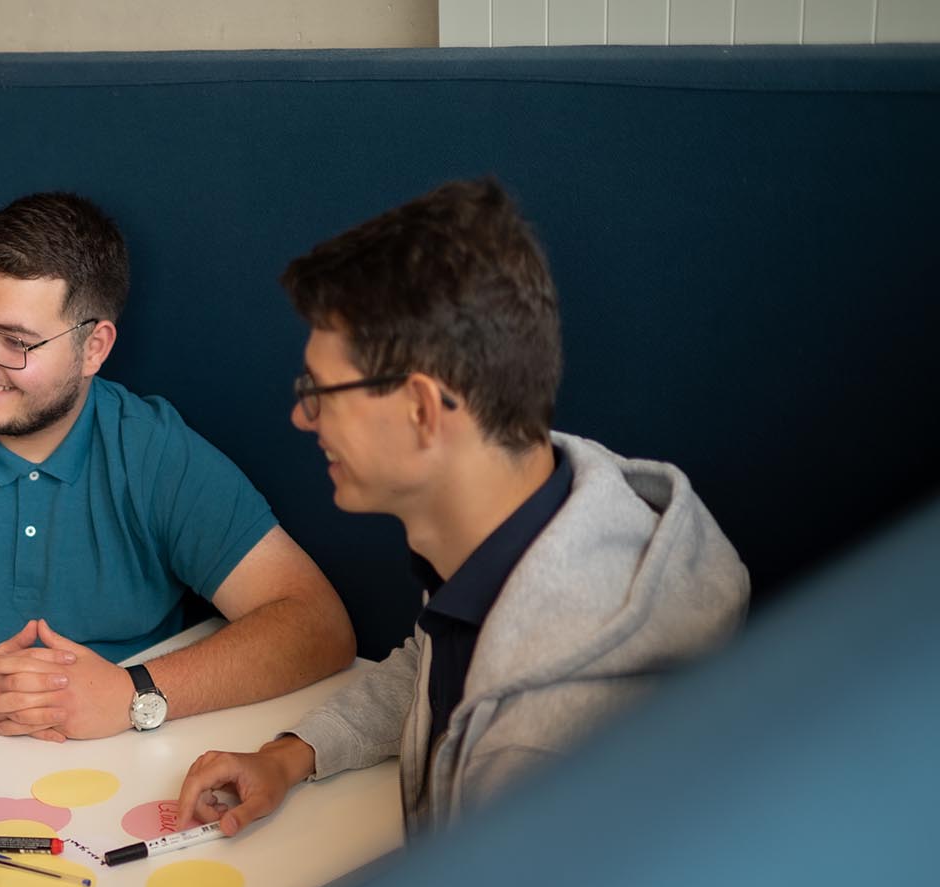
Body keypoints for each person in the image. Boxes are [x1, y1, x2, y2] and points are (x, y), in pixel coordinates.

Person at [175, 178, 750, 837]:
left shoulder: (534, 752)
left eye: (321, 392)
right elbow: (434, 664)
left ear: (422, 410)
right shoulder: (538, 513)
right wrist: (291, 755)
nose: (302, 419)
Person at [0, 191, 355, 743]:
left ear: (94, 348)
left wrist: (132, 693)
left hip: (129, 747)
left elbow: (316, 624)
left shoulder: (152, 451)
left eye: (14, 341)